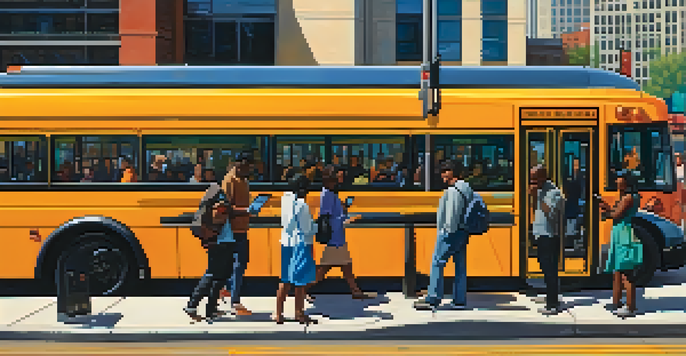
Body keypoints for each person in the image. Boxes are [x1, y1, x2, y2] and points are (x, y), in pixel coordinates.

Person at [305, 166, 374, 302]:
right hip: (334, 238)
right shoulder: (327, 194)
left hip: (338, 238)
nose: (339, 180)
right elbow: (326, 216)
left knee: (345, 265)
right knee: (323, 270)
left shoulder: (331, 193)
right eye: (337, 177)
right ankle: (302, 289)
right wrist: (346, 219)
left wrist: (342, 209)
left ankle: (355, 290)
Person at [414, 160, 472, 310]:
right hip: (463, 231)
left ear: (453, 173)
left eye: (446, 171)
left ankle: (432, 298)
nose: (443, 175)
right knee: (460, 266)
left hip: (451, 232)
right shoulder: (467, 188)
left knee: (437, 262)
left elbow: (451, 216)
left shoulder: (453, 191)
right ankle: (459, 300)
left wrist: (446, 232)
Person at [184, 183, 234, 322]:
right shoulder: (220, 198)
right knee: (213, 275)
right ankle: (192, 305)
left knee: (220, 276)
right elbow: (220, 215)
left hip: (221, 240)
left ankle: (211, 309)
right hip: (221, 241)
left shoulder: (213, 196)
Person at [275, 173, 317, 325]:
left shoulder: (285, 200)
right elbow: (307, 229)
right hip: (300, 244)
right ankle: (299, 313)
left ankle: (278, 313)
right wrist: (317, 226)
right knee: (300, 282)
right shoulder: (302, 205)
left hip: (285, 242)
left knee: (285, 279)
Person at [599, 170, 642, 318]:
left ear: (626, 182)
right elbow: (617, 212)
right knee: (617, 271)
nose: (616, 182)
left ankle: (630, 307)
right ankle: (617, 302)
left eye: (619, 179)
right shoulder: (631, 197)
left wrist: (605, 210)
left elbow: (616, 214)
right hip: (621, 233)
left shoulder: (628, 198)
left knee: (626, 273)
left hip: (624, 235)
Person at [218, 153, 254, 316]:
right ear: (240, 165)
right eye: (248, 167)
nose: (250, 170)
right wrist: (246, 211)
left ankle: (226, 290)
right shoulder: (229, 181)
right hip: (232, 230)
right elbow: (225, 208)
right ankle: (235, 301)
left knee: (239, 263)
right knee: (238, 265)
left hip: (242, 228)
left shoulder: (243, 180)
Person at [530, 165, 564, 316]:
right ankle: (550, 296)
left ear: (543, 177)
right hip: (540, 233)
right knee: (544, 268)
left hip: (549, 236)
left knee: (550, 271)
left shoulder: (553, 192)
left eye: (534, 179)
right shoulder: (541, 190)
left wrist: (538, 196)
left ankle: (553, 304)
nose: (532, 182)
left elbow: (550, 213)